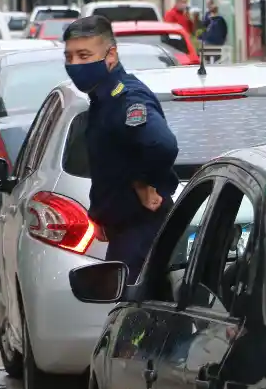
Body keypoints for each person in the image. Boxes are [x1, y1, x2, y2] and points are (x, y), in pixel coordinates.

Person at [62, 15, 179, 280]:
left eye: (84, 55)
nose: (74, 64)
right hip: (125, 233)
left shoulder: (126, 98)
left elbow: (162, 144)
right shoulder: (102, 99)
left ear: (111, 55)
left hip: (140, 235)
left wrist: (143, 182)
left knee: (133, 315)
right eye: (69, 57)